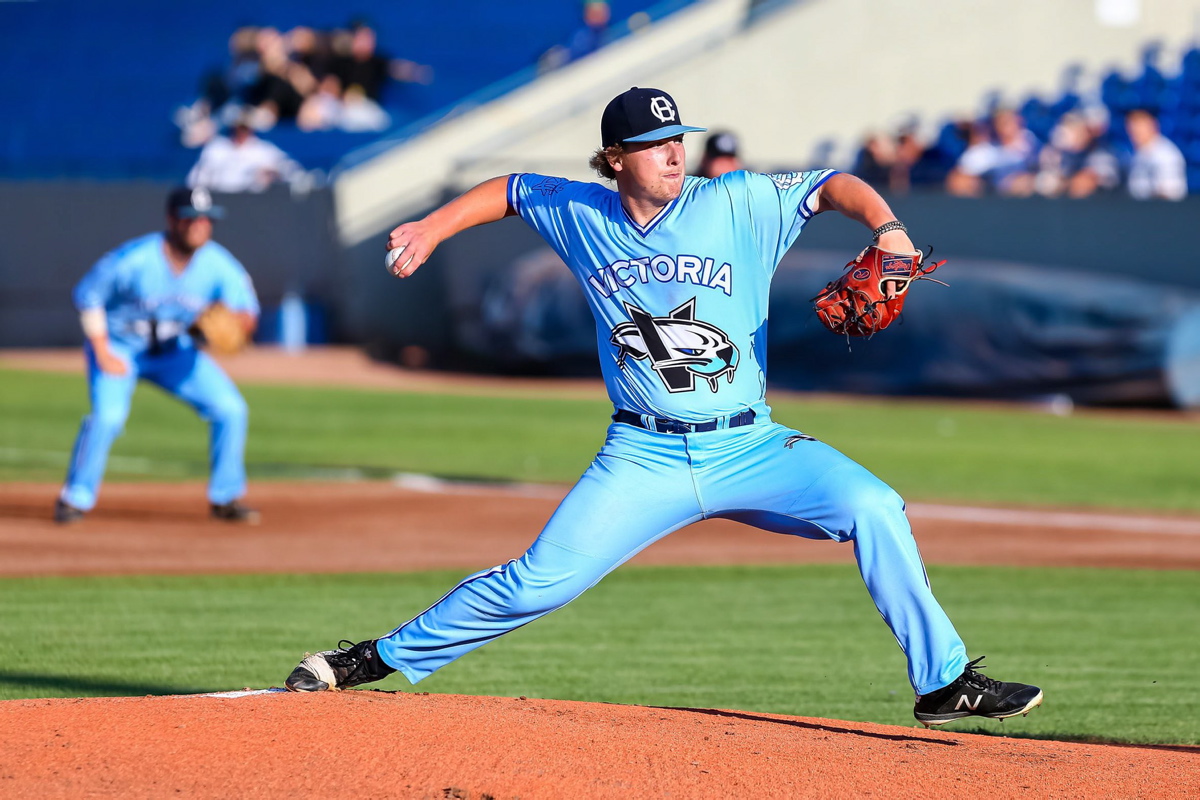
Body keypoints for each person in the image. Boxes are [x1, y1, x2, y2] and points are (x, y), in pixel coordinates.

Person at [285, 87, 1043, 728]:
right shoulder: (582, 211)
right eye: (653, 143)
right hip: (641, 456)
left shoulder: (739, 201)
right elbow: (512, 189)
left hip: (750, 446)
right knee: (538, 583)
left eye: (677, 138)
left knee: (875, 506)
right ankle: (370, 658)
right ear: (616, 159)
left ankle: (942, 681)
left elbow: (836, 184)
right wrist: (432, 225)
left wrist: (888, 227)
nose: (673, 152)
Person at [54, 188, 261, 525]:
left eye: (206, 219)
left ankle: (225, 497)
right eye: (190, 218)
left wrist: (236, 326)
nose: (198, 226)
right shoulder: (135, 259)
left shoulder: (218, 264)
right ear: (172, 220)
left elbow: (247, 312)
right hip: (120, 348)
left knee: (231, 409)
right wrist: (103, 351)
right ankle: (75, 498)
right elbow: (88, 294)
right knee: (108, 417)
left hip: (174, 352)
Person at [186, 116, 306, 193]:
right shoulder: (216, 147)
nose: (242, 132)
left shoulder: (264, 150)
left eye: (245, 128)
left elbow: (290, 169)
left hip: (252, 204)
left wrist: (273, 173)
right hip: (220, 199)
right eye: (239, 127)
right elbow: (196, 178)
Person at [1124, 108, 1187, 201]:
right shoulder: (1137, 154)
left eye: (1140, 126)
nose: (1135, 131)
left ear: (1153, 125)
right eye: (1132, 127)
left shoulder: (1166, 154)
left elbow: (1169, 194)